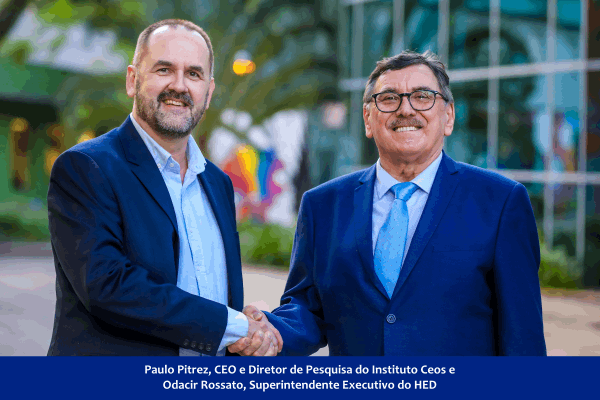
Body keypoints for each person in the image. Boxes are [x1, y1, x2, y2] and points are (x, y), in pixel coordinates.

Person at [231, 50, 547, 356]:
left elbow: (522, 340)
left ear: (448, 116)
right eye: (389, 98)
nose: (405, 109)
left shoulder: (501, 203)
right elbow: (307, 309)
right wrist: (267, 331)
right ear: (368, 119)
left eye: (422, 96)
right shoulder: (322, 206)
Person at [47, 19, 281, 356]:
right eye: (164, 69)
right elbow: (108, 286)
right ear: (133, 80)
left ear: (208, 92)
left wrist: (244, 324)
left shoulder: (218, 183)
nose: (179, 85)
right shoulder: (87, 167)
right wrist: (233, 326)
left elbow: (214, 299)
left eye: (194, 74)